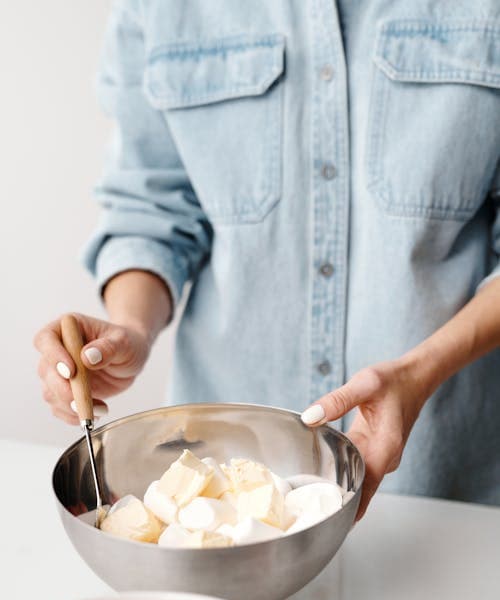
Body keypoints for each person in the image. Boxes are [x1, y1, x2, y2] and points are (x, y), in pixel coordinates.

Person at [34, 1, 500, 520]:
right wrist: (130, 329)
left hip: (446, 491)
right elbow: (151, 207)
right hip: (214, 493)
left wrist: (420, 373)